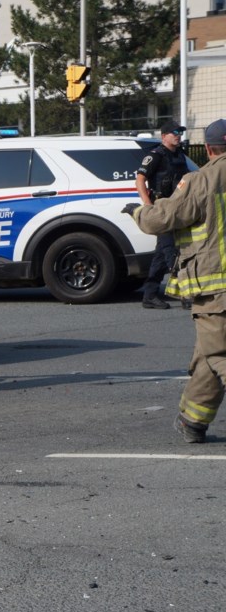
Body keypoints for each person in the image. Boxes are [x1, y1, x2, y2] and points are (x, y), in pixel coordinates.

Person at [123, 119, 226, 443]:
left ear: (209, 149)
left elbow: (163, 218)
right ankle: (192, 421)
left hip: (216, 291)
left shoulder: (202, 180)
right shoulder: (169, 162)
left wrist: (137, 212)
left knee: (219, 354)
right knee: (208, 355)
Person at [135, 120, 191, 310]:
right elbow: (140, 180)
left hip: (176, 209)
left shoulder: (180, 155)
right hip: (161, 209)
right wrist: (148, 206)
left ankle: (149, 296)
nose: (178, 135)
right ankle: (186, 295)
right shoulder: (155, 155)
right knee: (172, 254)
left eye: (180, 132)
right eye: (174, 132)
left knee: (161, 255)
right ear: (164, 135)